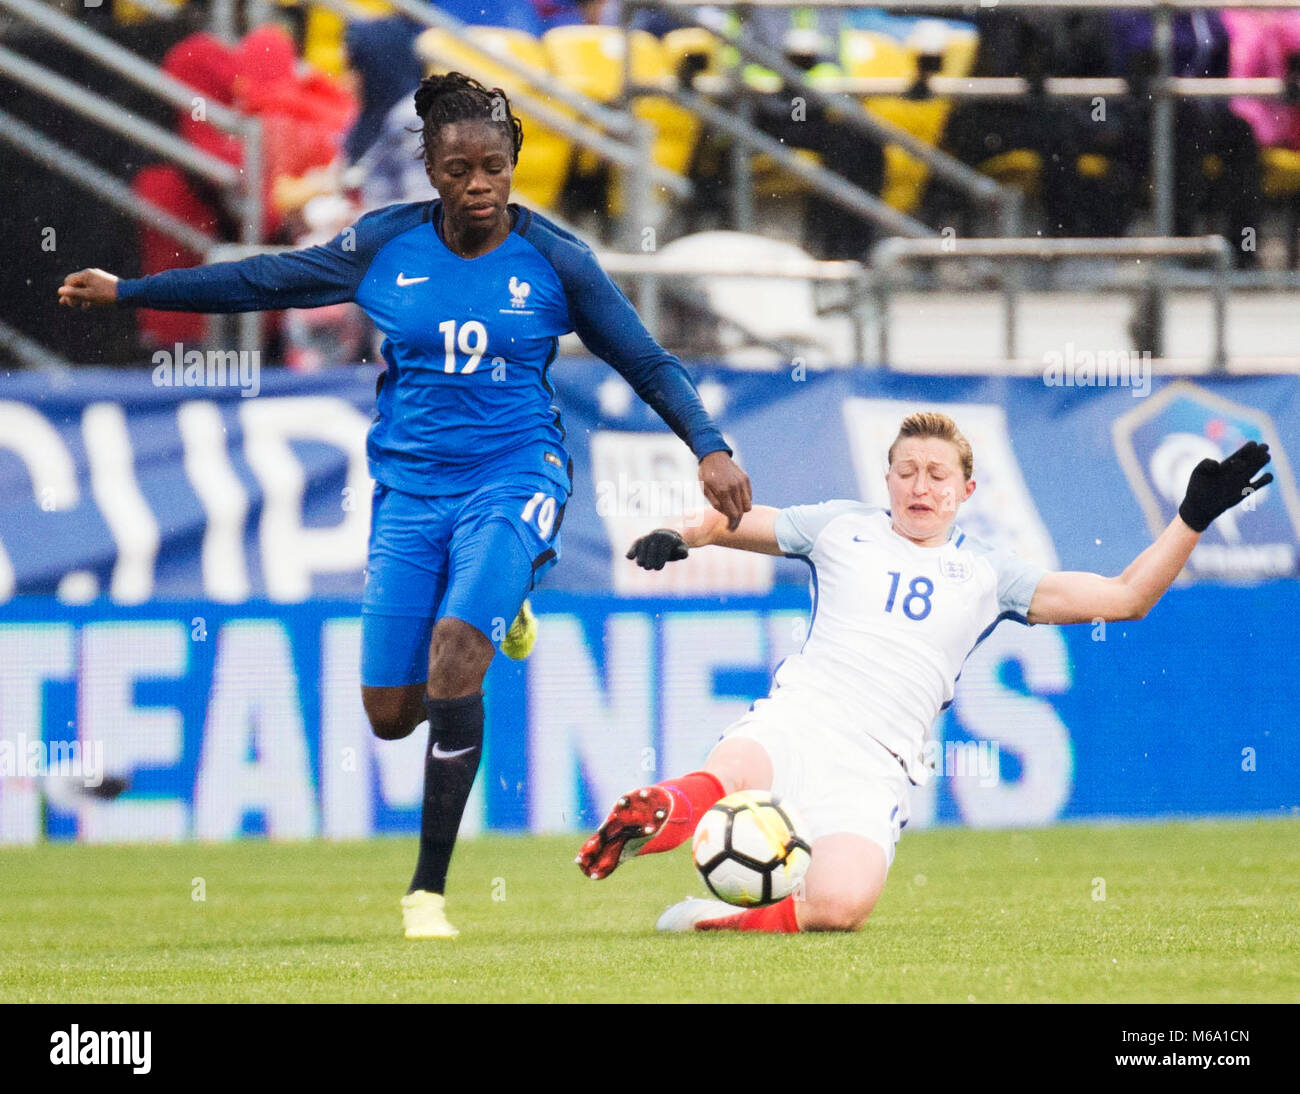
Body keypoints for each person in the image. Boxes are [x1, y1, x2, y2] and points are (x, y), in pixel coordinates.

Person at [58, 71, 752, 939]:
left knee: (458, 655)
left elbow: (644, 360)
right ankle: (505, 613)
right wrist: (130, 291)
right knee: (390, 715)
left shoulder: (555, 258)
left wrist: (710, 445)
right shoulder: (384, 244)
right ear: (430, 169)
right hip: (411, 492)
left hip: (516, 475)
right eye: (459, 169)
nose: (479, 186)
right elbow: (268, 281)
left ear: (513, 164)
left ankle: (428, 892)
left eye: (494, 167)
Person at [577, 412, 1272, 933]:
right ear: (886, 479)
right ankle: (657, 813)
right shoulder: (842, 527)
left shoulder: (989, 572)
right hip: (798, 718)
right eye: (906, 470)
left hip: (875, 765)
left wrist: (1191, 518)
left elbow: (1125, 598)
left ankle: (708, 917)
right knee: (732, 771)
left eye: (937, 475)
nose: (919, 486)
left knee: (841, 908)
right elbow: (740, 520)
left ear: (966, 489)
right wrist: (685, 535)